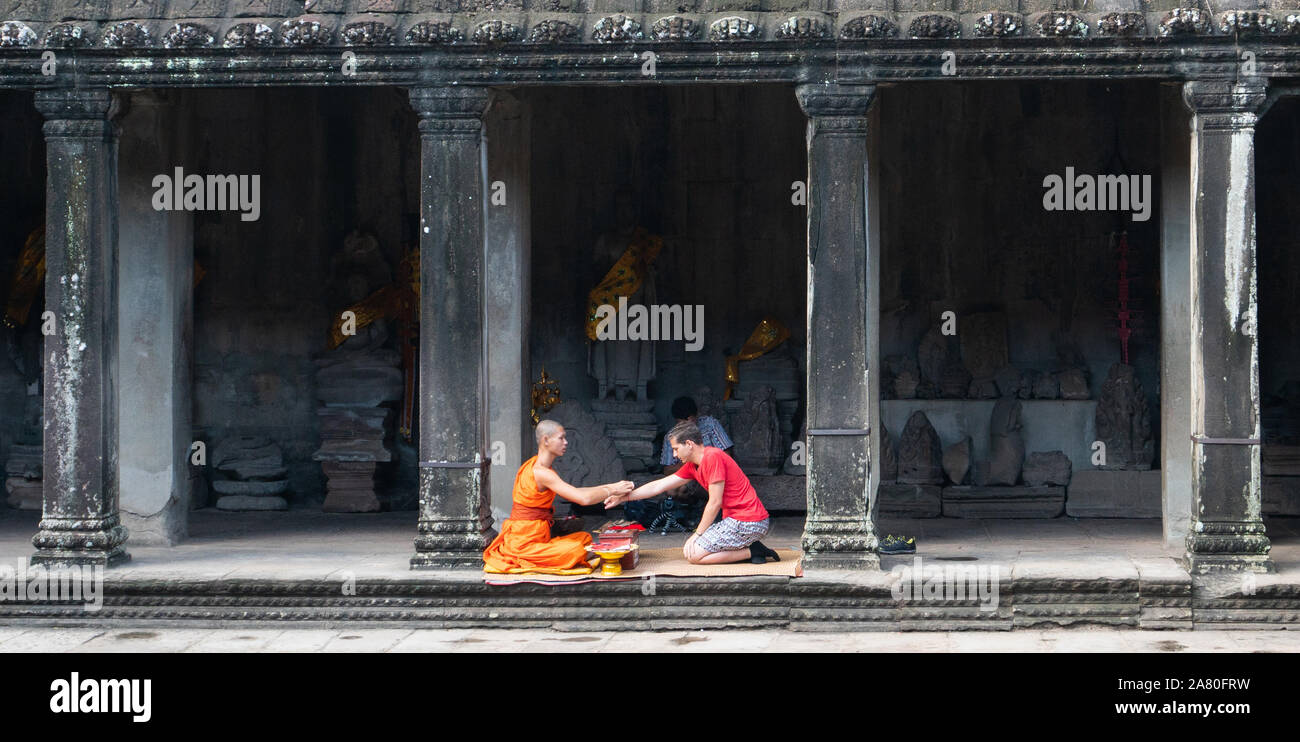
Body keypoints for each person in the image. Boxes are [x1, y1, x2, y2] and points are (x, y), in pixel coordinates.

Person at [606, 421, 780, 565]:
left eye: (675, 449)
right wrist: (624, 497)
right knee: (693, 552)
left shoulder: (713, 457)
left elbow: (714, 503)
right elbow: (658, 486)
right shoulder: (692, 465)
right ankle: (751, 549)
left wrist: (697, 534)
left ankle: (753, 550)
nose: (674, 455)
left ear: (689, 444)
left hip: (749, 521)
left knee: (694, 554)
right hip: (734, 521)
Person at [483, 420, 634, 575]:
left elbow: (577, 491)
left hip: (537, 537)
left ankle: (562, 556)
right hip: (523, 542)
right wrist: (613, 489)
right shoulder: (541, 473)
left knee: (585, 538)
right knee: (575, 550)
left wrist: (611, 487)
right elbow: (583, 499)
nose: (566, 442)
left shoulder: (537, 467)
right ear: (546, 440)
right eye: (561, 438)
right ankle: (549, 557)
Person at [659, 396, 732, 476]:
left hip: (713, 472)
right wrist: (689, 465)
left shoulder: (710, 425)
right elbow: (667, 470)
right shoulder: (671, 437)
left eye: (692, 419)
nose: (675, 454)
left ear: (696, 415)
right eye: (683, 422)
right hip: (687, 476)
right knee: (678, 488)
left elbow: (726, 455)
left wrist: (702, 463)